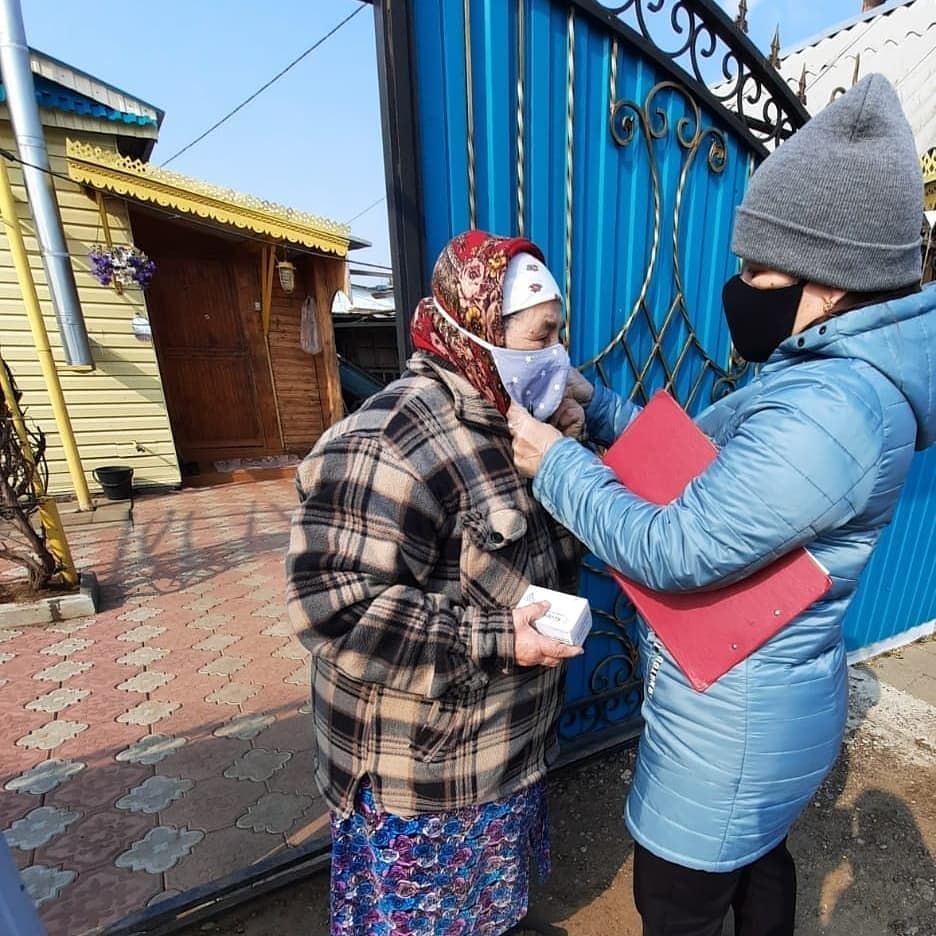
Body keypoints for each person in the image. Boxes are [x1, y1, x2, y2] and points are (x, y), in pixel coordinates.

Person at [506, 74, 936, 935]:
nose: (740, 285)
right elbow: (711, 470)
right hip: (759, 703)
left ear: (829, 275)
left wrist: (553, 462)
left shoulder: (840, 407)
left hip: (731, 731)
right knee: (757, 867)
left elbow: (678, 545)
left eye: (756, 266)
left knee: (678, 898)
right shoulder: (828, 373)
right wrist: (603, 414)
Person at [286, 230, 585, 936]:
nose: (558, 356)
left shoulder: (519, 428)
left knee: (490, 915)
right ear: (478, 332)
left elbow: (559, 551)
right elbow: (333, 606)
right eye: (543, 337)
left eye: (560, 336)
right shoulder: (392, 438)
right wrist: (494, 636)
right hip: (423, 787)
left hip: (502, 759)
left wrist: (576, 453)